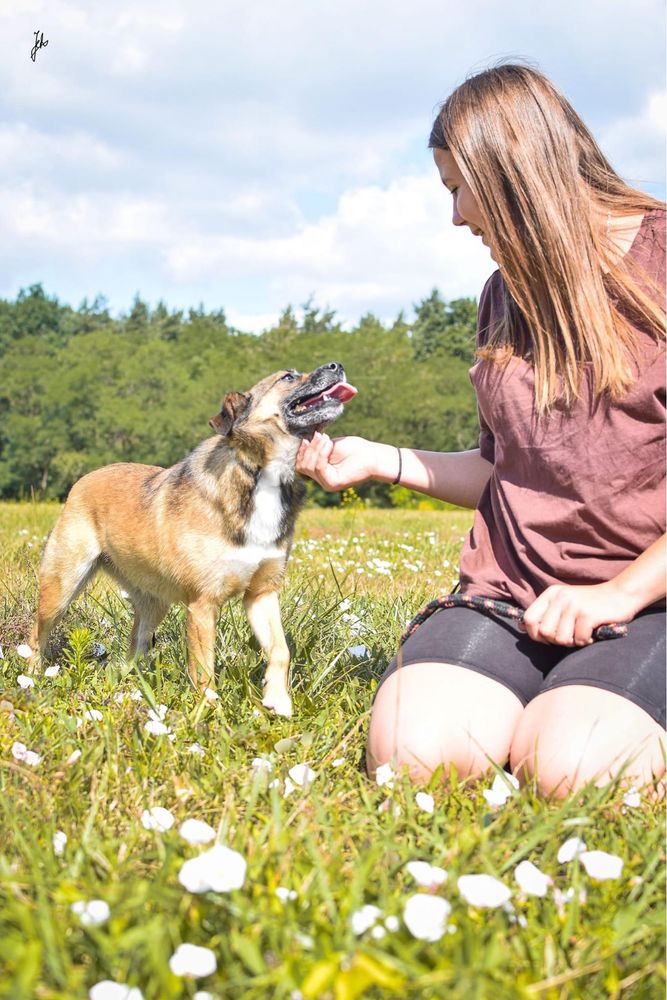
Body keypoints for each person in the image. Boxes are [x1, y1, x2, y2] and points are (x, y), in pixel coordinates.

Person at [296, 63, 666, 798]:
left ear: (514, 174)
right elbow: (511, 472)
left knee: (572, 771)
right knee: (412, 754)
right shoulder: (501, 296)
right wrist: (381, 460)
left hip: (649, 601)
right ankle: (548, 698)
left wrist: (620, 593)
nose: (457, 217)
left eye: (458, 188)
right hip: (509, 596)